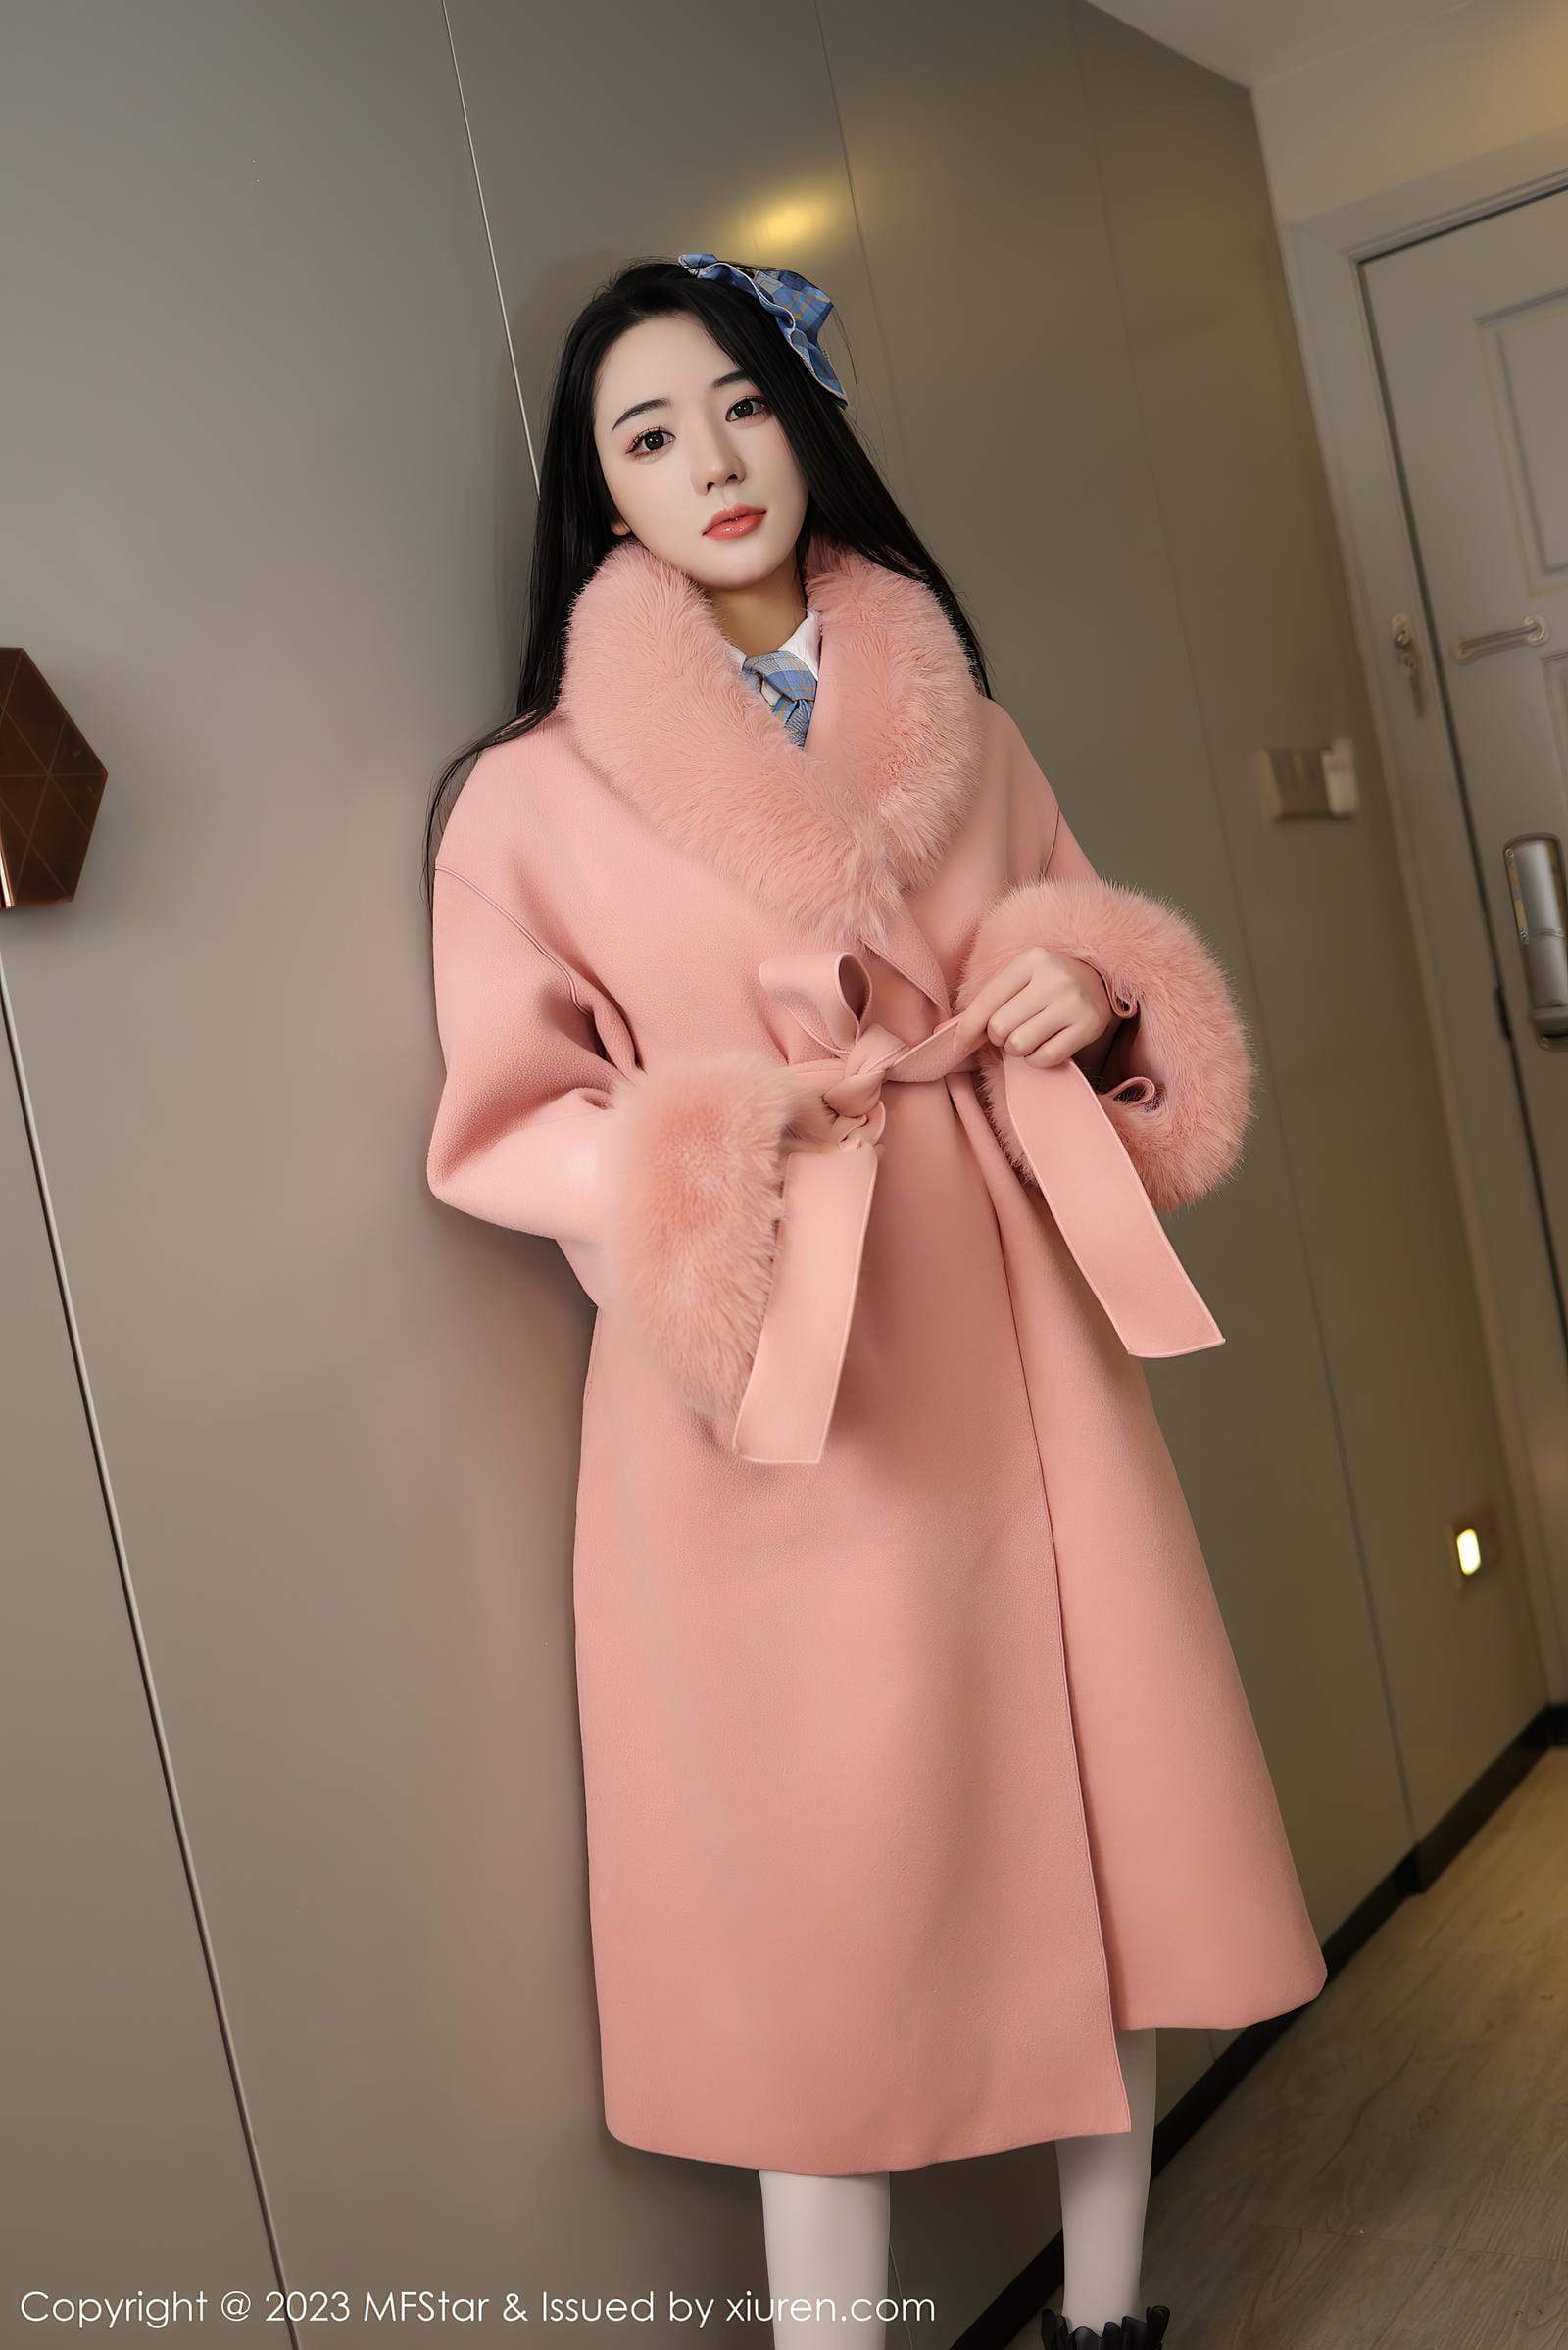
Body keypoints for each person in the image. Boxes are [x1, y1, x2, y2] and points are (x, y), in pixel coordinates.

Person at [422, 254, 1327, 2350]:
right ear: (599, 494)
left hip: (1015, 1332)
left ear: (804, 417)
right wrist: (720, 1144)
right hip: (777, 1382)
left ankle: (1108, 2319)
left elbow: (1077, 955)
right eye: (649, 433)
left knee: (1104, 1827)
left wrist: (1087, 979)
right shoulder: (530, 794)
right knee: (811, 1910)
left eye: (742, 403)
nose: (711, 460)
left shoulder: (963, 721)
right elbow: (505, 1122)